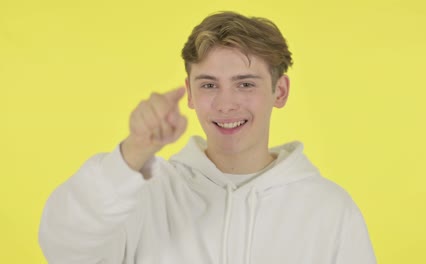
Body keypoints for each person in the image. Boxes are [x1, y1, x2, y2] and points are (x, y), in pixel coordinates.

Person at [39, 11, 376, 264]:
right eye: (209, 84)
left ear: (280, 91)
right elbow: (62, 247)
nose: (226, 104)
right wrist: (133, 153)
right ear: (189, 92)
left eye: (245, 84)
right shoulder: (144, 196)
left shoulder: (330, 210)